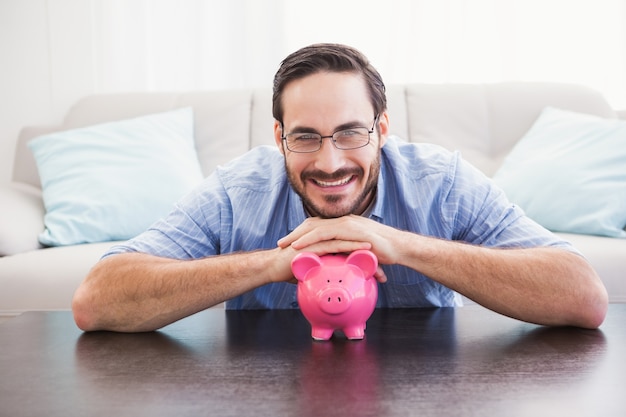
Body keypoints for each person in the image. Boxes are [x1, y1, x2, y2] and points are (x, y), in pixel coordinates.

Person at [72, 43, 608, 333]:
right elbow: (97, 302)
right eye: (305, 137)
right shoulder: (237, 191)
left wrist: (405, 246)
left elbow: (583, 296)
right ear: (279, 136)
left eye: (352, 133)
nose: (330, 163)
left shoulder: (441, 182)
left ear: (383, 128)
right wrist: (272, 262)